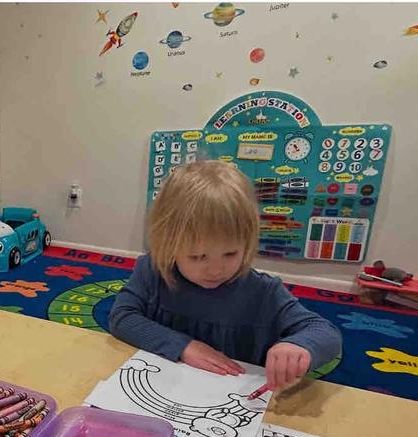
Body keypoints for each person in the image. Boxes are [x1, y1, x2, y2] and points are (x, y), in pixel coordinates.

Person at [109, 160, 341, 392]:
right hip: (163, 387)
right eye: (198, 257)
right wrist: (183, 346)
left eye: (230, 253)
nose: (216, 270)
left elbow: (324, 332)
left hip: (234, 400)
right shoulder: (153, 270)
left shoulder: (261, 291)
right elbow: (122, 317)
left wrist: (298, 346)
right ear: (168, 244)